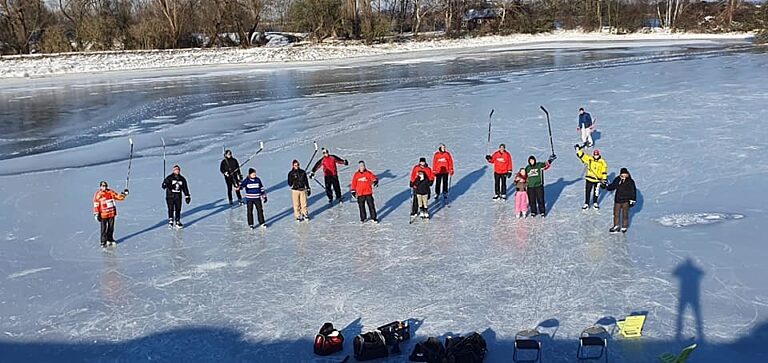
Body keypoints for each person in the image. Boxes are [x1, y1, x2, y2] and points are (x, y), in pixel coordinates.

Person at [92, 181, 128, 247]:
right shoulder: (98, 194)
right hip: (103, 214)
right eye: (103, 186)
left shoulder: (110, 192)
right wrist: (96, 213)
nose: (104, 187)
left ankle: (110, 239)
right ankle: (103, 241)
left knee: (111, 227)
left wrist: (124, 194)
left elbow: (118, 197)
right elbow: (96, 204)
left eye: (105, 186)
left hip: (111, 213)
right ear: (100, 187)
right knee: (103, 228)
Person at [604, 167, 637, 233]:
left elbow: (633, 191)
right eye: (622, 174)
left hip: (626, 201)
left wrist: (632, 200)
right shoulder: (618, 179)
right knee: (616, 214)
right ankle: (616, 225)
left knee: (625, 214)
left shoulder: (630, 181)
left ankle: (624, 226)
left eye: (625, 174)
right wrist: (606, 186)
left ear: (627, 174)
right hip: (618, 200)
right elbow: (612, 186)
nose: (624, 176)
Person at [575, 144, 608, 210]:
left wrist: (604, 179)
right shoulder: (590, 159)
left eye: (597, 155)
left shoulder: (602, 162)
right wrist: (578, 149)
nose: (596, 156)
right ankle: (586, 203)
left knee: (596, 192)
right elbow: (582, 156)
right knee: (587, 191)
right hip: (589, 178)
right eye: (595, 155)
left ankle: (595, 203)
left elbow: (604, 171)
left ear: (599, 155)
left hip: (597, 180)